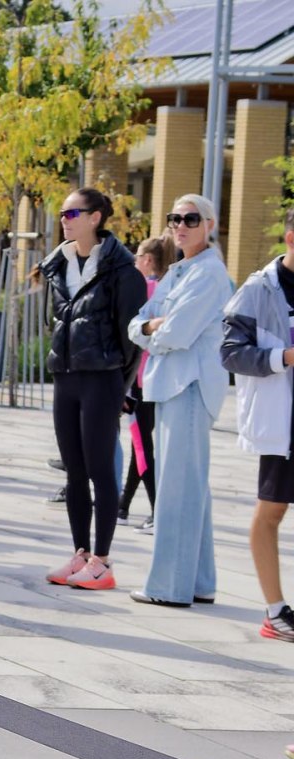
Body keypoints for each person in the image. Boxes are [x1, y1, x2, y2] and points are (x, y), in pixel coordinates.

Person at [128, 194, 236, 607]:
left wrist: (152, 330)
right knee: (192, 488)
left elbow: (175, 333)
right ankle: (199, 581)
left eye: (191, 218)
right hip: (172, 385)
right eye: (175, 218)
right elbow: (138, 324)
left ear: (210, 225)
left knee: (178, 490)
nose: (181, 225)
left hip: (189, 387)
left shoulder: (209, 274)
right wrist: (152, 328)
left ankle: (169, 587)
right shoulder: (179, 271)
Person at [39, 187, 148, 592]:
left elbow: (131, 337)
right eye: (62, 213)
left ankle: (102, 562)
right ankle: (81, 554)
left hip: (103, 378)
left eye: (72, 213)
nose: (64, 220)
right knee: (75, 470)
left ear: (96, 217)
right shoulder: (58, 265)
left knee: (101, 469)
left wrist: (120, 385)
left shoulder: (123, 270)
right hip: (66, 377)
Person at [221, 205, 294, 641]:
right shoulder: (259, 289)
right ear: (291, 238)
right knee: (272, 510)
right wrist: (283, 357)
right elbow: (230, 353)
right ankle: (275, 611)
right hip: (284, 422)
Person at [120, 235, 172, 530]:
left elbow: (132, 338)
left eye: (138, 256)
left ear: (148, 260)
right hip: (155, 379)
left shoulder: (146, 291)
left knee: (142, 448)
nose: (135, 261)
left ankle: (157, 511)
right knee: (141, 444)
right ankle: (123, 506)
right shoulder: (165, 290)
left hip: (139, 381)